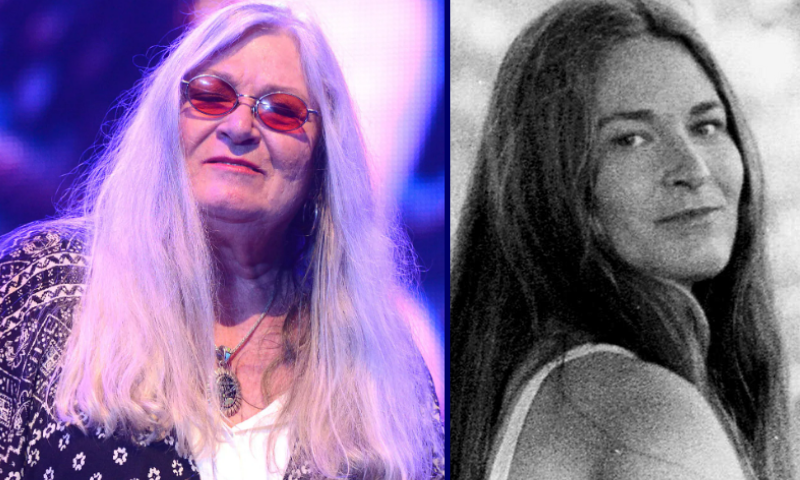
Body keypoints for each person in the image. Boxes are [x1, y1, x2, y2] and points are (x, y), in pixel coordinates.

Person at [0, 2, 443, 479]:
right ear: (168, 122)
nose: (239, 127)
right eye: (211, 96)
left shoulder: (385, 365)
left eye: (281, 111)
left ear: (323, 161)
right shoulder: (44, 282)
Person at [450, 0, 794, 479]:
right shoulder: (649, 412)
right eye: (630, 138)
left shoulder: (539, 386)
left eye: (706, 126)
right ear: (550, 180)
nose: (692, 169)